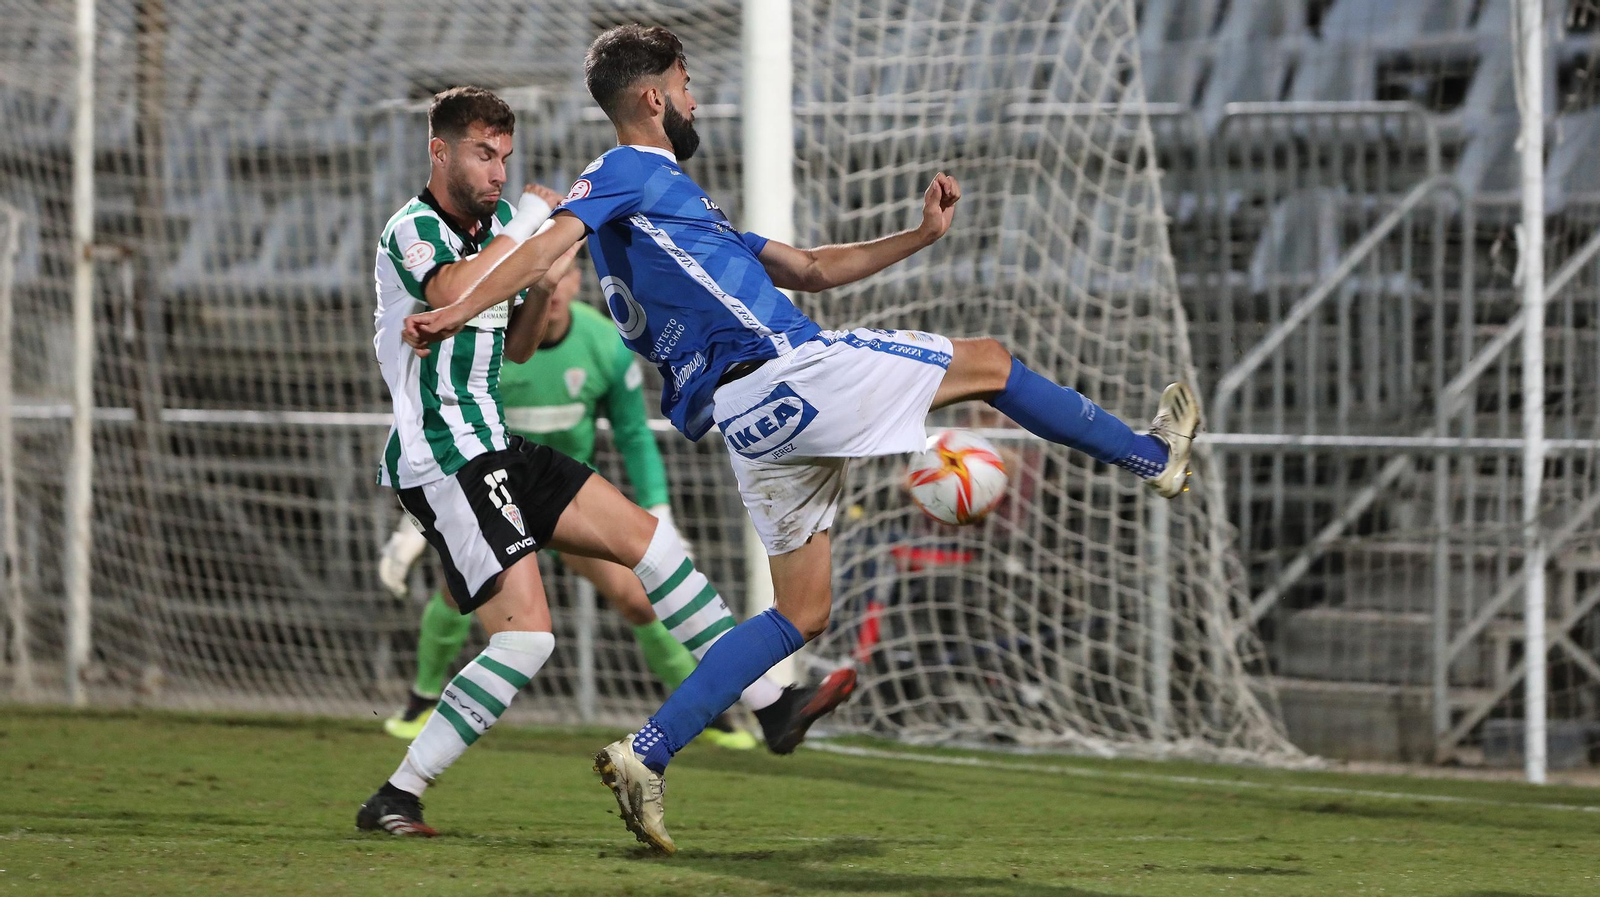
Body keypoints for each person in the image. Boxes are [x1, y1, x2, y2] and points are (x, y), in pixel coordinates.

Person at [399, 28, 1200, 856]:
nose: (696, 98)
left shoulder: (663, 219)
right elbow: (542, 249)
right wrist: (456, 310)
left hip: (751, 423)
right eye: (685, 82)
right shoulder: (625, 173)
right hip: (789, 374)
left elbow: (810, 267)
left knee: (801, 610)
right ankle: (1155, 457)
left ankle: (646, 752)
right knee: (991, 363)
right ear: (652, 99)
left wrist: (917, 238)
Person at [357, 85, 851, 838]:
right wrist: (531, 227)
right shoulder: (414, 227)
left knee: (654, 543)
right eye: (483, 155)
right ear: (440, 150)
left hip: (494, 440)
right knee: (527, 639)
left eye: (505, 158)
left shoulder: (494, 229)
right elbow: (450, 291)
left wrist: (544, 285)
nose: (497, 172)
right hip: (445, 453)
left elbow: (516, 345)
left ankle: (771, 704)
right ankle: (398, 793)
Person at [375, 269, 854, 752]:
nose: (554, 287)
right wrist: (413, 524)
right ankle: (422, 699)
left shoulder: (603, 342)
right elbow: (444, 429)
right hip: (485, 489)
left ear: (576, 277)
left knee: (640, 594)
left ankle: (714, 709)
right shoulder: (486, 345)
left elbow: (632, 434)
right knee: (465, 599)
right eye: (542, 273)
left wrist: (659, 507)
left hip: (560, 493)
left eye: (561, 272)